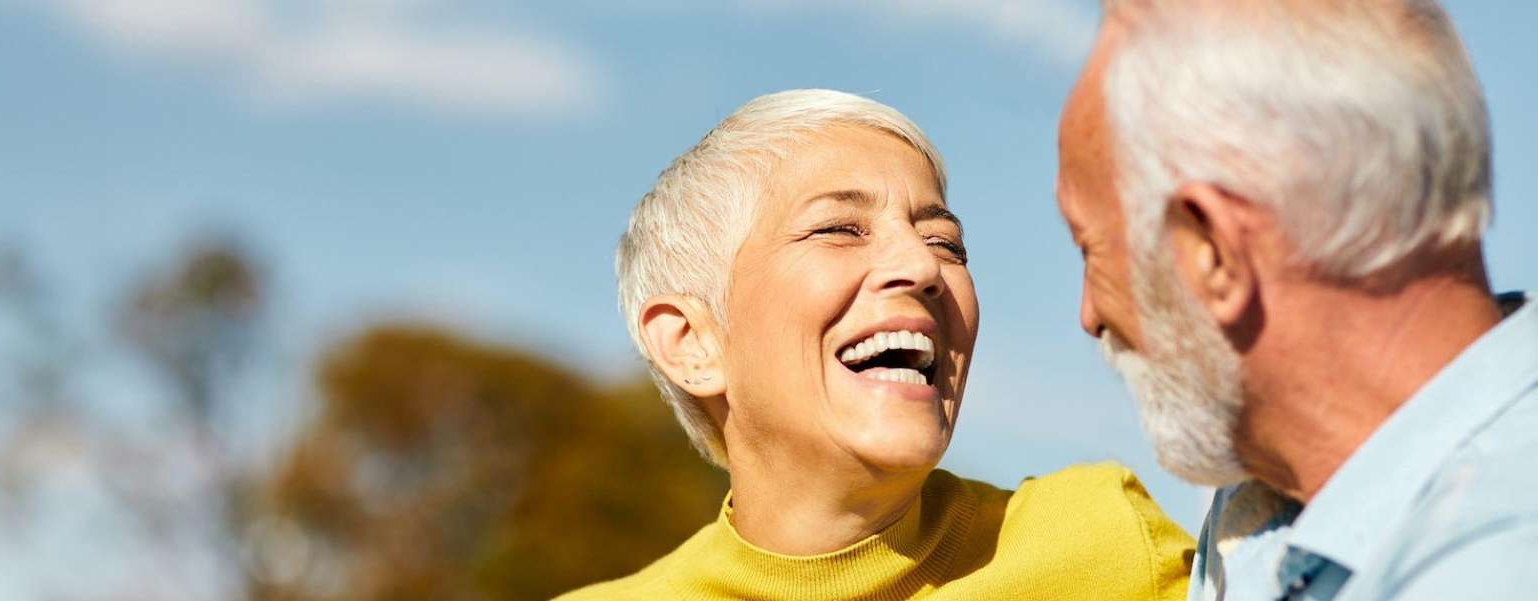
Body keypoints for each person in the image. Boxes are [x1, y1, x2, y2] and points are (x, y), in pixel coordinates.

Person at [560, 89, 1192, 600]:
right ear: (692, 342)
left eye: (946, 243)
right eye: (839, 228)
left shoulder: (1105, 541)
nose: (922, 266)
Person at [1056, 1, 1535, 599]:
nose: (1089, 316)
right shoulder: (1261, 494)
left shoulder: (1494, 561)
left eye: (1088, 248)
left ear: (1214, 251)